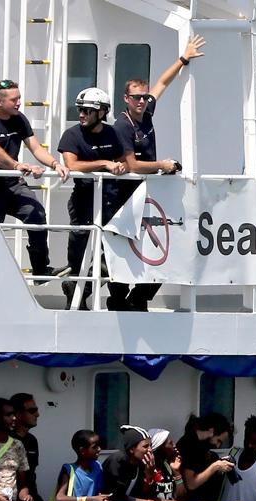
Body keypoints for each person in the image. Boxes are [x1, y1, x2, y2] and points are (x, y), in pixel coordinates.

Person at [106, 35, 206, 311]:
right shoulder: (122, 126)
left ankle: (139, 298)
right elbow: (133, 165)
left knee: (164, 246)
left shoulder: (147, 111)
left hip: (146, 194)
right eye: (135, 97)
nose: (141, 101)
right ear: (126, 99)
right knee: (124, 247)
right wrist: (163, 165)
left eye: (143, 97)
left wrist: (183, 58)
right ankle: (116, 298)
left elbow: (162, 83)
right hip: (124, 196)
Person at [0, 80, 69, 277]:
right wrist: (17, 165)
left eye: (19, 99)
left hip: (13, 184)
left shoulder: (19, 119)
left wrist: (55, 164)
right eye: (14, 100)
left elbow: (35, 147)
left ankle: (41, 270)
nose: (18, 103)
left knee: (37, 216)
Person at [57, 87, 130, 309]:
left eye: (87, 111)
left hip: (112, 200)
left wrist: (119, 167)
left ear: (101, 112)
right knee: (79, 250)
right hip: (84, 200)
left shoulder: (112, 133)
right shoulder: (72, 135)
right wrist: (104, 164)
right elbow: (72, 164)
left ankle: (100, 294)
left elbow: (125, 161)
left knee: (117, 249)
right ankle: (76, 298)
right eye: (80, 109)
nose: (81, 114)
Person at [102, 427, 189, 501]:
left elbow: (146, 496)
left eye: (151, 446)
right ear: (132, 449)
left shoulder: (140, 464)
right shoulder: (117, 461)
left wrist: (149, 475)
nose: (150, 450)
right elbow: (117, 497)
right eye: (145, 446)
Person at [178, 412, 234, 501]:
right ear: (212, 431)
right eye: (218, 440)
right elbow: (191, 484)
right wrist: (215, 466)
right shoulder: (190, 445)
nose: (217, 445)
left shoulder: (201, 447)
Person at [53, 429, 113, 501]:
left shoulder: (97, 467)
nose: (99, 449)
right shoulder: (70, 470)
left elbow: (100, 493)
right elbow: (59, 499)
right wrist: (91, 500)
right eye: (94, 447)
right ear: (82, 450)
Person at [9, 392, 45, 501]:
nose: (37, 414)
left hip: (31, 497)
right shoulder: (6, 440)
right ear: (18, 414)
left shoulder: (32, 440)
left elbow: (31, 473)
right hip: (10, 500)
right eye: (32, 411)